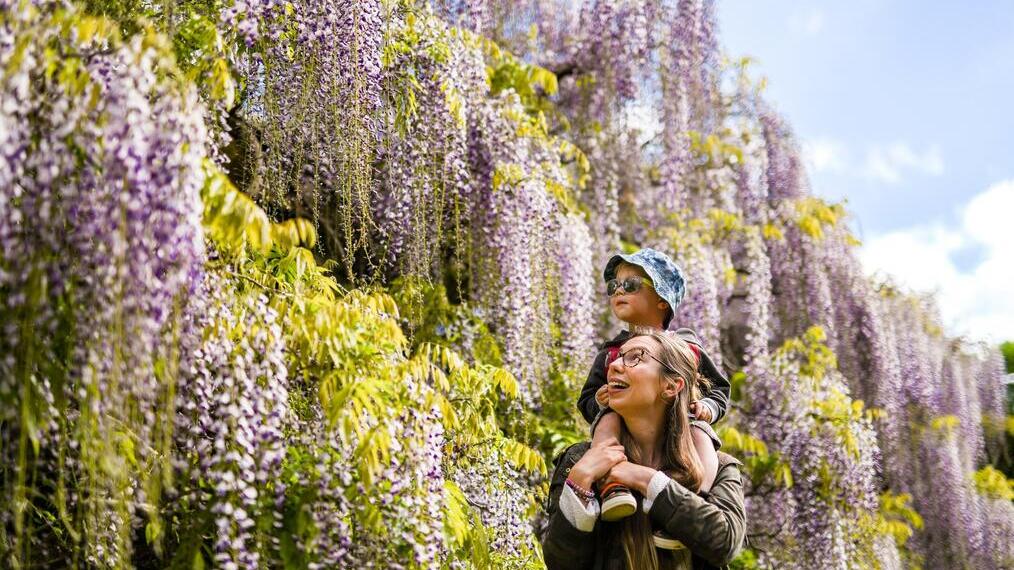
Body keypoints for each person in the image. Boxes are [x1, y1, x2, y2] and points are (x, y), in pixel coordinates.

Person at [544, 331, 746, 569]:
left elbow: (724, 542)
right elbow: (560, 563)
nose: (615, 366)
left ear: (671, 385)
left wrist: (646, 480)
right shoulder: (581, 460)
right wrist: (579, 481)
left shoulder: (718, 465)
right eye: (618, 357)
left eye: (635, 357)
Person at [577, 249, 730, 526]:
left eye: (631, 284)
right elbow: (586, 400)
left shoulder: (686, 346)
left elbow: (719, 389)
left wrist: (707, 407)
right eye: (613, 286)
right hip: (630, 433)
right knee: (606, 422)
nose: (618, 291)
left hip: (680, 426)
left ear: (662, 299)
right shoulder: (611, 351)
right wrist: (599, 402)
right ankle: (614, 485)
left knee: (702, 433)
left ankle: (697, 499)